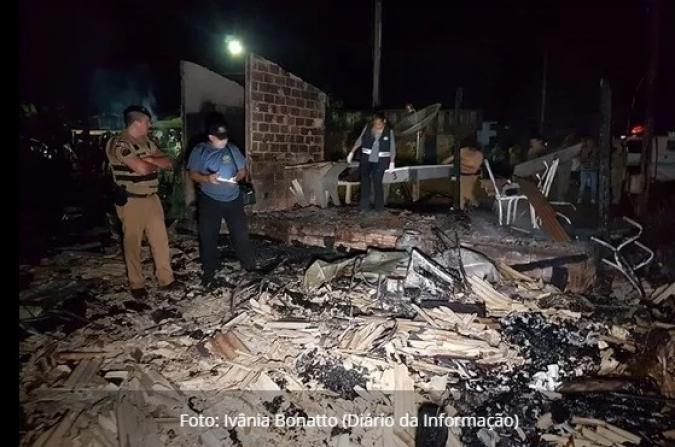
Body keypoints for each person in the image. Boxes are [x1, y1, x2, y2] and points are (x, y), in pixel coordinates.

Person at [105, 106, 176, 298]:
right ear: (136, 123)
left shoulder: (146, 141)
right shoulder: (119, 143)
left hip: (152, 198)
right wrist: (152, 163)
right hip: (131, 200)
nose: (150, 125)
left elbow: (168, 161)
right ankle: (136, 283)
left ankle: (166, 279)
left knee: (160, 241)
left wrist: (149, 160)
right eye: (147, 122)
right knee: (132, 243)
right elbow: (141, 168)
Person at [187, 121, 256, 288]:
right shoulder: (200, 150)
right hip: (209, 200)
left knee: (240, 234)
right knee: (208, 236)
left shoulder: (231, 148)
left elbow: (242, 170)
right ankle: (209, 271)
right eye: (220, 138)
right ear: (211, 137)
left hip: (233, 199)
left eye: (225, 137)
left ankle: (250, 267)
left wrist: (237, 178)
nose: (224, 141)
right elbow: (193, 174)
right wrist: (207, 178)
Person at [347, 112, 396, 213]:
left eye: (379, 124)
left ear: (384, 121)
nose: (377, 126)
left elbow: (392, 147)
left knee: (377, 181)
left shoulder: (389, 131)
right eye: (375, 123)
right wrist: (352, 152)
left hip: (381, 160)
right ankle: (364, 206)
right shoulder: (368, 128)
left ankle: (379, 208)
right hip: (367, 158)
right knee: (365, 181)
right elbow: (360, 140)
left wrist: (392, 162)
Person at [442, 136, 484, 210]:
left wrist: (462, 165)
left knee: (467, 192)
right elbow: (446, 161)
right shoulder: (463, 151)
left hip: (471, 176)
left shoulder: (478, 155)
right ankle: (464, 206)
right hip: (462, 175)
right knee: (463, 193)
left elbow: (475, 167)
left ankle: (468, 205)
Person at [577, 136, 599, 204]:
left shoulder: (596, 150)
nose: (590, 143)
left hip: (593, 169)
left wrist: (594, 161)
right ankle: (580, 198)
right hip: (584, 169)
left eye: (591, 142)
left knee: (593, 185)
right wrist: (585, 161)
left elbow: (598, 159)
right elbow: (580, 158)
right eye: (588, 142)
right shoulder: (584, 149)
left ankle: (593, 198)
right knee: (582, 185)